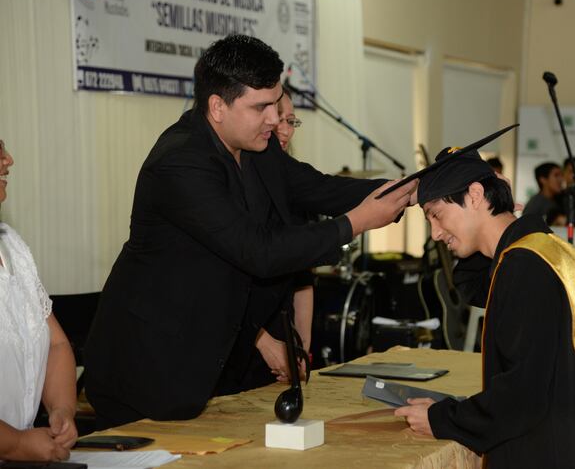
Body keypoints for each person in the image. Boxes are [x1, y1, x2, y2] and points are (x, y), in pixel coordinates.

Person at [84, 35, 417, 428]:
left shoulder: (256, 146)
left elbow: (318, 188)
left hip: (215, 360)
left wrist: (414, 187)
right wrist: (357, 222)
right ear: (217, 106)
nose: (275, 120)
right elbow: (259, 251)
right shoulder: (180, 162)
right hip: (149, 367)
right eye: (261, 107)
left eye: (276, 104)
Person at [395, 147, 575, 468]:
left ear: (475, 195)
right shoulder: (542, 248)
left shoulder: (524, 267)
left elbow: (522, 396)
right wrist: (496, 215)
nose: (435, 233)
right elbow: (477, 289)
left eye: (436, 214)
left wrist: (442, 418)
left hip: (549, 450)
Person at [0, 140, 79, 461]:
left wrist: (61, 410)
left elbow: (56, 344)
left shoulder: (12, 245)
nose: (9, 160)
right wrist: (16, 443)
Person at [275, 87, 312, 357]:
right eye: (279, 119)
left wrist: (304, 349)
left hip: (284, 336)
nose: (286, 130)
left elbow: (303, 281)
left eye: (291, 121)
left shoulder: (294, 187)